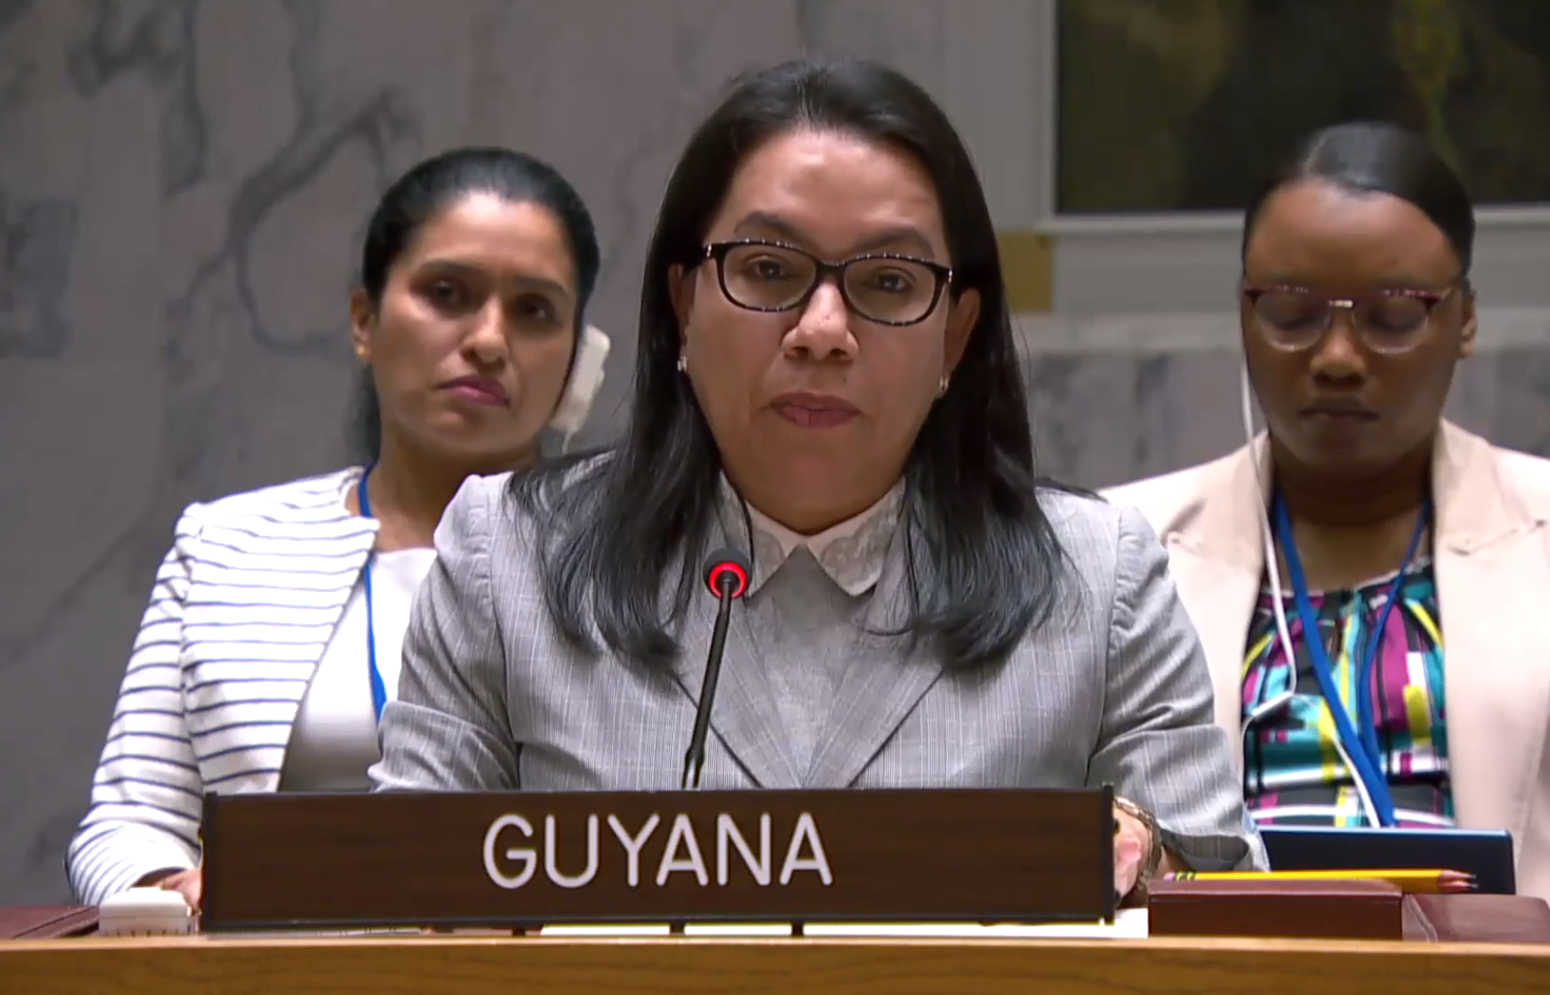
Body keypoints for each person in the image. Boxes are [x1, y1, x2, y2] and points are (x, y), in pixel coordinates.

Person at [371, 57, 1263, 903]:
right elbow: (386, 898)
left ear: (953, 338)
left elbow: (1229, 900)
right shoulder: (510, 556)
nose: (823, 329)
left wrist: (1143, 847)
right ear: (685, 303)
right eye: (768, 270)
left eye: (887, 280)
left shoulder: (1097, 577)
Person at [66, 146, 610, 908]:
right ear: (364, 320)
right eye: (448, 292)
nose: (489, 339)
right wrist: (174, 890)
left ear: (580, 360)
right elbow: (130, 819)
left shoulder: (633, 558)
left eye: (534, 310)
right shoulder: (225, 546)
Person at [1104, 122, 1550, 900]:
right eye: (1290, 310)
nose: (1338, 356)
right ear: (1244, 315)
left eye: (1393, 314)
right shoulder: (1119, 549)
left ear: (1466, 318)